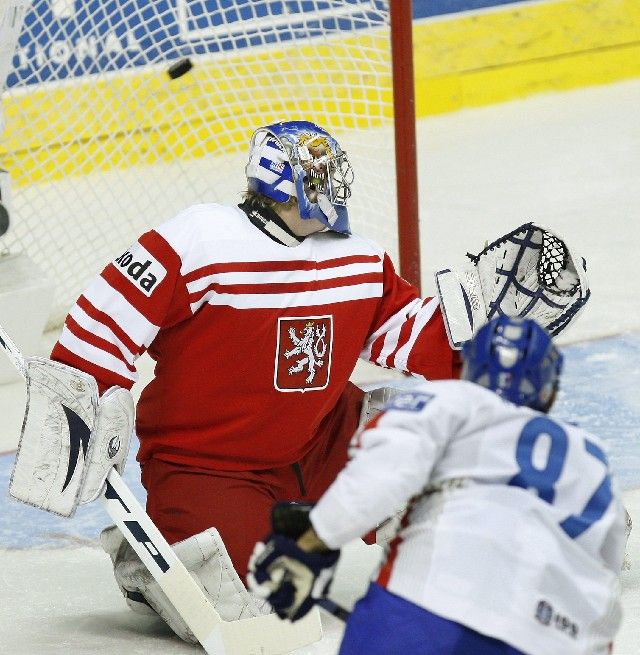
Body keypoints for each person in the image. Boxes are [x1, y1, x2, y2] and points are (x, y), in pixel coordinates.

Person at [43, 120, 588, 641]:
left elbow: (406, 335)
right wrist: (86, 401)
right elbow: (105, 316)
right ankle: (150, 563)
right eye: (323, 177)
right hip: (210, 465)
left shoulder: (358, 258)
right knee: (259, 610)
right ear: (284, 183)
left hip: (322, 443)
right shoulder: (198, 240)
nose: (336, 188)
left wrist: (477, 325)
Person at [248, 316, 626, 655]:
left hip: (425, 610)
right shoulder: (589, 457)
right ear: (551, 390)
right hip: (554, 639)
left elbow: (379, 477)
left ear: (470, 369)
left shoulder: (445, 398)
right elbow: (602, 573)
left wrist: (311, 544)